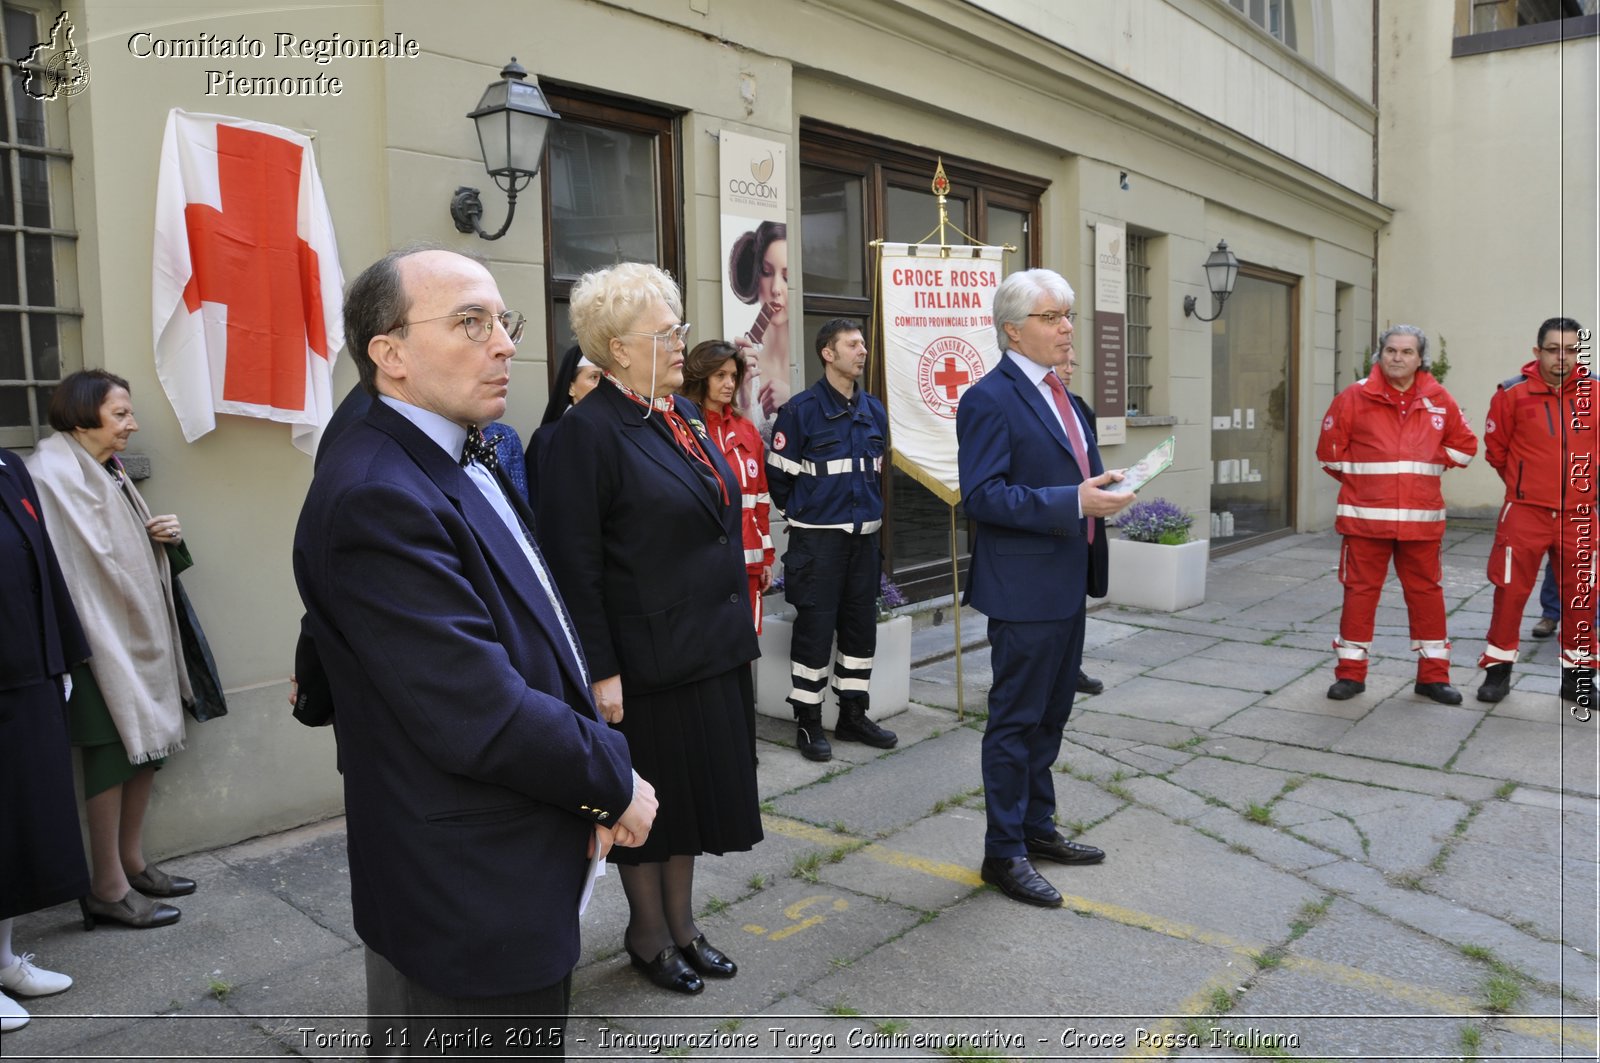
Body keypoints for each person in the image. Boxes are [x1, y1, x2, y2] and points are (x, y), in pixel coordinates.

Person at [292, 246, 655, 1056]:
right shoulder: (378, 494)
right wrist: (613, 780)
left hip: (507, 857)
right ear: (388, 354)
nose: (504, 344)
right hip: (465, 885)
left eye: (503, 321)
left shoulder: (451, 446)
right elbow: (479, 712)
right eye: (470, 322)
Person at [539, 262, 764, 997]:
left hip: (707, 646)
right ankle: (648, 933)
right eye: (665, 332)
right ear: (618, 348)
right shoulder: (588, 433)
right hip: (644, 661)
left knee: (692, 800)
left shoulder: (682, 415)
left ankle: (685, 924)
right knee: (651, 807)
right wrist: (600, 671)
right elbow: (576, 567)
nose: (680, 343)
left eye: (679, 328)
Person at [957, 268, 1133, 908]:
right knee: (1016, 721)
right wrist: (1072, 499)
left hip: (1066, 582)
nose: (1066, 327)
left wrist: (1100, 483)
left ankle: (1036, 828)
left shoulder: (1066, 395)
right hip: (1023, 590)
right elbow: (982, 495)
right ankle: (1003, 853)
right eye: (1053, 317)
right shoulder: (989, 398)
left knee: (1051, 717)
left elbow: (1070, 473)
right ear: (1013, 329)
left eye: (1068, 315)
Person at [26, 371, 195, 931]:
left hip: (132, 630)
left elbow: (117, 552)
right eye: (120, 414)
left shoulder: (108, 468)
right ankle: (106, 888)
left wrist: (167, 538)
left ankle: (130, 865)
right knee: (110, 752)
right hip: (90, 641)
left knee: (147, 750)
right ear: (82, 416)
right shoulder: (49, 475)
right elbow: (60, 567)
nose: (132, 424)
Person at [1316, 325, 1478, 705]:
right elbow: (1329, 454)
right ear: (1381, 354)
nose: (1397, 358)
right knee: (1359, 595)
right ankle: (1350, 675)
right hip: (1365, 520)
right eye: (1391, 350)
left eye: (1406, 352)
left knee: (1427, 596)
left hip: (1421, 521)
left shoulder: (1439, 398)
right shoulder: (1353, 397)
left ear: (1420, 358)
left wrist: (1426, 467)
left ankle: (1433, 677)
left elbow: (1466, 447)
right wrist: (1370, 484)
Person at [767, 319, 898, 761]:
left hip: (863, 544)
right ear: (828, 352)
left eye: (863, 344)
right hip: (818, 545)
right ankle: (807, 720)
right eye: (852, 344)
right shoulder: (800, 411)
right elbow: (779, 480)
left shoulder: (874, 410)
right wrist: (809, 516)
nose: (861, 351)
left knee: (861, 632)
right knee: (815, 633)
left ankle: (852, 715)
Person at [0, 447, 89, 1030]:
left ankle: (2, 958)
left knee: (15, 828)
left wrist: (60, 658)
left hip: (23, 674)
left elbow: (42, 566)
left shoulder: (7, 466)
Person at [1476, 317, 1594, 704]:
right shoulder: (1511, 393)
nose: (1562, 358)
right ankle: (1497, 674)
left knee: (1581, 597)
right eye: (1553, 349)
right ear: (1537, 352)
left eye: (1571, 350)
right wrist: (1524, 484)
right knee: (1509, 594)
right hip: (1525, 513)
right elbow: (1496, 450)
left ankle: (1576, 680)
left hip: (1579, 515)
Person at [680, 339, 775, 633]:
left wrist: (767, 558)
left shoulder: (747, 431)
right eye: (720, 375)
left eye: (733, 376)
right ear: (701, 377)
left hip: (748, 566)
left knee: (745, 646)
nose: (729, 384)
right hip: (701, 566)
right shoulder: (681, 428)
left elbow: (760, 499)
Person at [1053, 355, 1109, 698]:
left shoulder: (1079, 408)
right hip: (1054, 523)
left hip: (1084, 523)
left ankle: (1072, 668)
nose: (1071, 368)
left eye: (1074, 363)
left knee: (1076, 605)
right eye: (1065, 363)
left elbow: (1091, 460)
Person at [728, 220, 791, 431]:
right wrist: (744, 396)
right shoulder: (743, 357)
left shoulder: (810, 355)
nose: (776, 289)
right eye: (766, 272)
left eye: (787, 277)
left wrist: (792, 403)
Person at [524, 344, 603, 507]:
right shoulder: (546, 439)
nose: (602, 387)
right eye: (594, 377)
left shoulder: (618, 433)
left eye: (606, 379)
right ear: (571, 387)